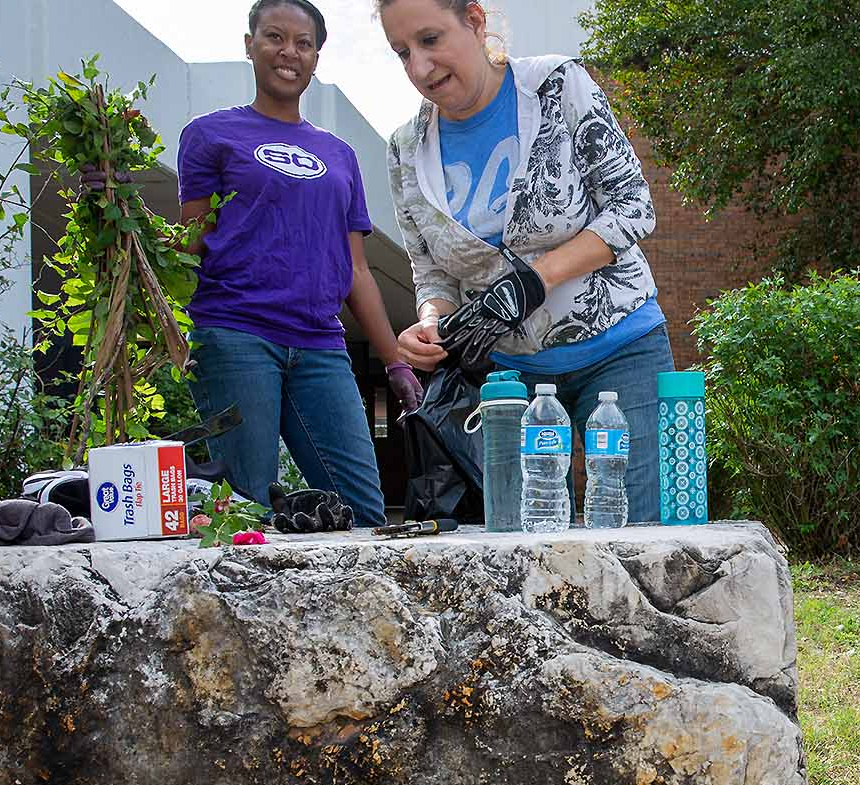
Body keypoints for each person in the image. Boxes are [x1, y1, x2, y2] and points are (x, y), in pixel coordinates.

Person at [376, 0, 676, 523]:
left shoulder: (558, 85)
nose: (419, 68)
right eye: (402, 52)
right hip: (508, 379)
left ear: (474, 19)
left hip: (621, 350)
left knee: (640, 535)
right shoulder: (405, 148)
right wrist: (429, 325)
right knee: (518, 553)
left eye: (430, 40)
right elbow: (433, 273)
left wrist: (535, 280)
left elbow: (633, 208)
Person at [176, 0, 422, 527]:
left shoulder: (338, 154)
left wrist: (395, 361)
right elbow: (190, 242)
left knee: (363, 512)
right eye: (274, 37)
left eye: (303, 43)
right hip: (236, 335)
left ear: (316, 56)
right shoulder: (210, 134)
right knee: (245, 511)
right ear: (250, 45)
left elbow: (357, 270)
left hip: (320, 343)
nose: (289, 52)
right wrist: (121, 218)